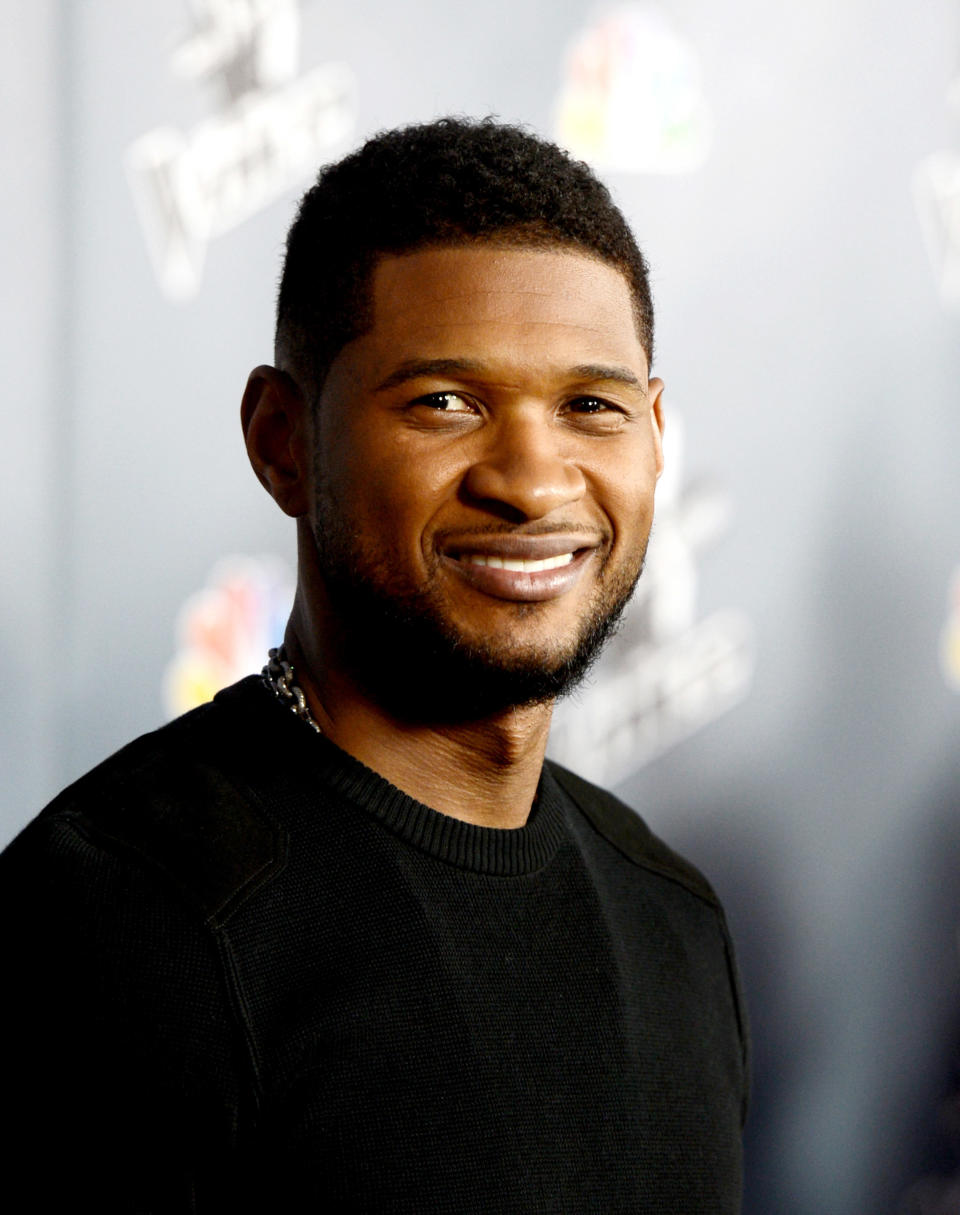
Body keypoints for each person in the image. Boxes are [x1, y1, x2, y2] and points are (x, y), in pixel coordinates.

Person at [0, 117, 749, 1211]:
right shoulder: (119, 925)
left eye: (592, 405)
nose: (535, 483)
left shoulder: (670, 915)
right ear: (283, 441)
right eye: (446, 401)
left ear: (656, 433)